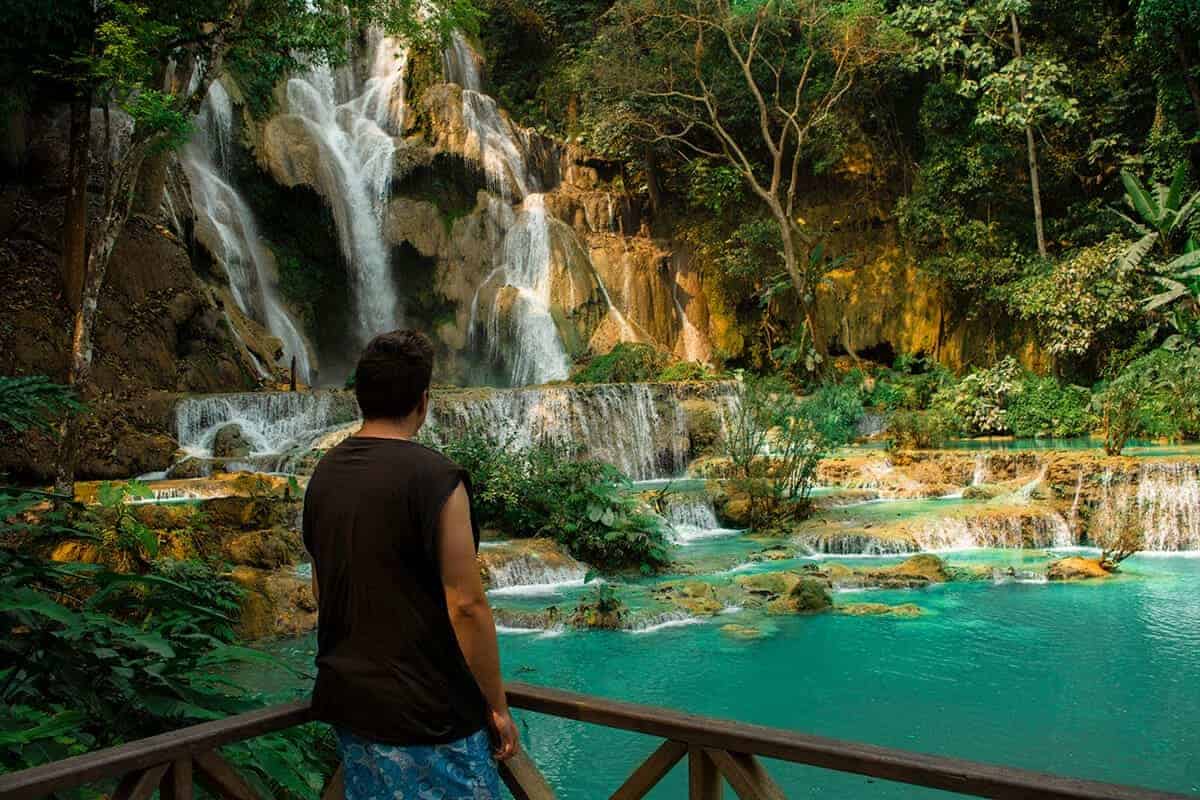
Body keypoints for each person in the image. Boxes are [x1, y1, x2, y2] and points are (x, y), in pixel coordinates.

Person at [302, 329, 519, 800]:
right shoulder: (438, 478)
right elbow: (466, 605)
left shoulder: (323, 475)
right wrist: (497, 706)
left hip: (354, 710)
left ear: (360, 395)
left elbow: (322, 589)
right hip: (430, 717)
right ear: (423, 401)